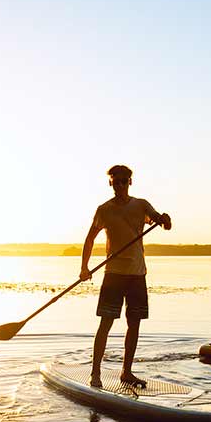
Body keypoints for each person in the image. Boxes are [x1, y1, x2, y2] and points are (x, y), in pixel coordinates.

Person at [80, 165, 172, 388]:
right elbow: (90, 238)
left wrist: (165, 219)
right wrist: (84, 267)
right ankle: (95, 374)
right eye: (116, 181)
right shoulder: (104, 210)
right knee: (106, 323)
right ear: (110, 183)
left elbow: (163, 223)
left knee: (135, 323)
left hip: (137, 274)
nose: (119, 185)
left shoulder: (141, 205)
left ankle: (126, 372)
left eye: (124, 180)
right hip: (113, 274)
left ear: (130, 182)